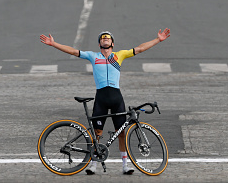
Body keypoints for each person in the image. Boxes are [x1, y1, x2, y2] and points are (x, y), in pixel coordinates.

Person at [39, 28, 171, 175]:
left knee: (121, 133)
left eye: (108, 38)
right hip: (101, 98)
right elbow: (73, 51)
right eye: (102, 38)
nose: (105, 39)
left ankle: (125, 166)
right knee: (97, 133)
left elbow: (139, 49)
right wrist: (54, 44)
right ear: (99, 44)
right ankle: (93, 165)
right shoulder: (93, 56)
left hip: (116, 98)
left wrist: (158, 40)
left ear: (112, 43)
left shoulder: (119, 55)